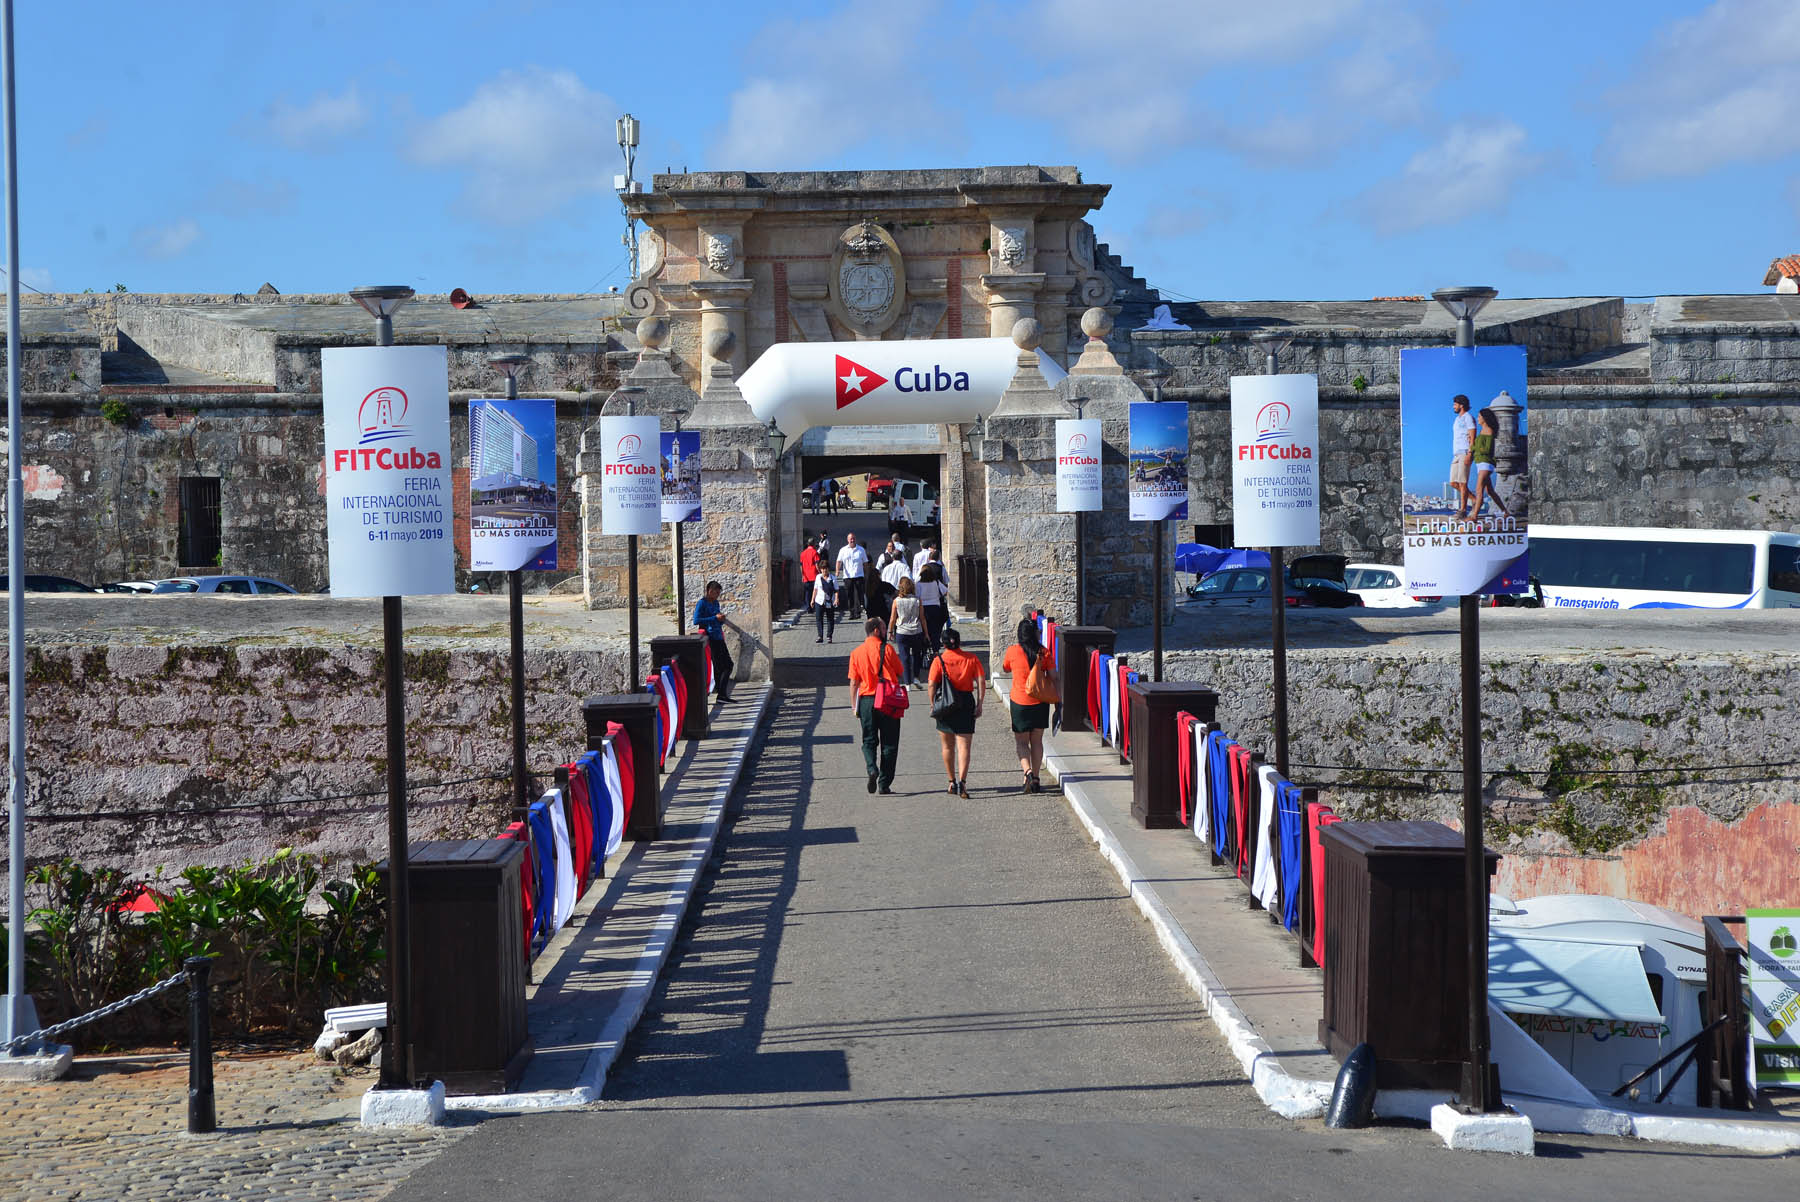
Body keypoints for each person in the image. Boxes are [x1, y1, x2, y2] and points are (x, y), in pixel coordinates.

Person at [847, 617, 906, 795]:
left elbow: (854, 683)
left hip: (866, 700)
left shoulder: (856, 653)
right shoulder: (888, 649)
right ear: (875, 630)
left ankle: (872, 768)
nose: (885, 630)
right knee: (890, 743)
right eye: (882, 627)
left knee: (868, 740)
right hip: (887, 700)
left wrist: (854, 706)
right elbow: (899, 671)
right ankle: (884, 783)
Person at [927, 627, 984, 798]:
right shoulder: (971, 658)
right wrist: (980, 703)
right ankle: (963, 782)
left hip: (945, 703)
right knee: (964, 746)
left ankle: (951, 781)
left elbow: (931, 684)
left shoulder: (939, 660)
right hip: (966, 702)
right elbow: (981, 680)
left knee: (947, 746)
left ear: (943, 644)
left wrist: (932, 704)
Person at [1001, 617, 1051, 793]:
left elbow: (1005, 668)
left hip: (1020, 702)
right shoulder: (1044, 652)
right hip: (1040, 701)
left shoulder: (1013, 651)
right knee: (1036, 741)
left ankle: (1027, 772)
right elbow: (1055, 675)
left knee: (1021, 742)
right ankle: (1036, 778)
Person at [1462, 407, 1511, 521]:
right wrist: (1471, 442)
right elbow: (1476, 448)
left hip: (1486, 463)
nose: (1478, 419)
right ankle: (1505, 512)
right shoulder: (1482, 431)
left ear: (1484, 418)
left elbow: (1487, 449)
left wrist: (1475, 446)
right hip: (1481, 463)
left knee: (1479, 490)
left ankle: (1474, 516)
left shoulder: (1489, 430)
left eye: (1479, 416)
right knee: (1490, 491)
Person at [691, 580, 735, 704]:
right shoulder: (702, 603)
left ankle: (721, 693)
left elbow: (717, 619)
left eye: (718, 593)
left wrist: (721, 619)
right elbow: (696, 620)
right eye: (715, 592)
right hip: (710, 637)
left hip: (718, 636)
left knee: (722, 666)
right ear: (709, 591)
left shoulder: (715, 603)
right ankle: (721, 694)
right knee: (727, 665)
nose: (717, 595)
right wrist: (714, 618)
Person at [888, 576, 927, 685]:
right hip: (916, 630)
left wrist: (890, 631)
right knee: (916, 655)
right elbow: (922, 618)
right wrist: (926, 633)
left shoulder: (896, 601)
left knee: (904, 657)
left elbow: (892, 618)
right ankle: (916, 676)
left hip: (902, 632)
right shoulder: (917, 600)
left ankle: (907, 682)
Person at [1448, 393, 1475, 524]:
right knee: (1453, 482)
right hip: (1456, 454)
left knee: (1463, 482)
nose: (1453, 406)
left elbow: (1472, 435)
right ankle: (1474, 500)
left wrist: (1470, 453)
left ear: (1461, 405)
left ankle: (1463, 510)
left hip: (1465, 452)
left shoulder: (1468, 418)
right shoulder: (1457, 419)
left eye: (1455, 404)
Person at [916, 559, 951, 652]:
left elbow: (916, 596)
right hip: (935, 608)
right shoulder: (936, 582)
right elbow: (945, 591)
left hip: (923, 609)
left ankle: (924, 650)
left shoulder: (918, 585)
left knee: (924, 631)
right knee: (935, 631)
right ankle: (936, 651)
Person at [835, 532, 868, 619]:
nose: (852, 540)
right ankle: (851, 612)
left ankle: (858, 612)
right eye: (850, 539)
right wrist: (837, 571)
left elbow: (865, 562)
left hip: (859, 575)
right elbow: (839, 561)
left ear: (855, 539)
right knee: (849, 595)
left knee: (858, 594)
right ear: (848, 540)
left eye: (853, 538)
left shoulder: (861, 550)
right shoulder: (843, 550)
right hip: (847, 576)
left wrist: (866, 572)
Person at [812, 562, 839, 643]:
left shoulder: (833, 578)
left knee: (830, 618)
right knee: (819, 618)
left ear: (828, 569)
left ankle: (829, 636)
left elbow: (836, 590)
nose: (824, 571)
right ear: (820, 569)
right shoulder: (818, 577)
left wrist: (836, 599)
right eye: (823, 569)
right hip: (819, 600)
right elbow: (815, 589)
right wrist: (812, 599)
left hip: (829, 600)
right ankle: (820, 636)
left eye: (826, 569)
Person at [799, 535, 822, 613]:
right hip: (814, 575)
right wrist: (820, 572)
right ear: (813, 544)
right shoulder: (814, 552)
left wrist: (802, 575)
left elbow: (801, 566)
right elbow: (816, 564)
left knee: (807, 593)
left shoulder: (802, 553)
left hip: (806, 576)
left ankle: (808, 607)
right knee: (815, 591)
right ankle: (814, 606)